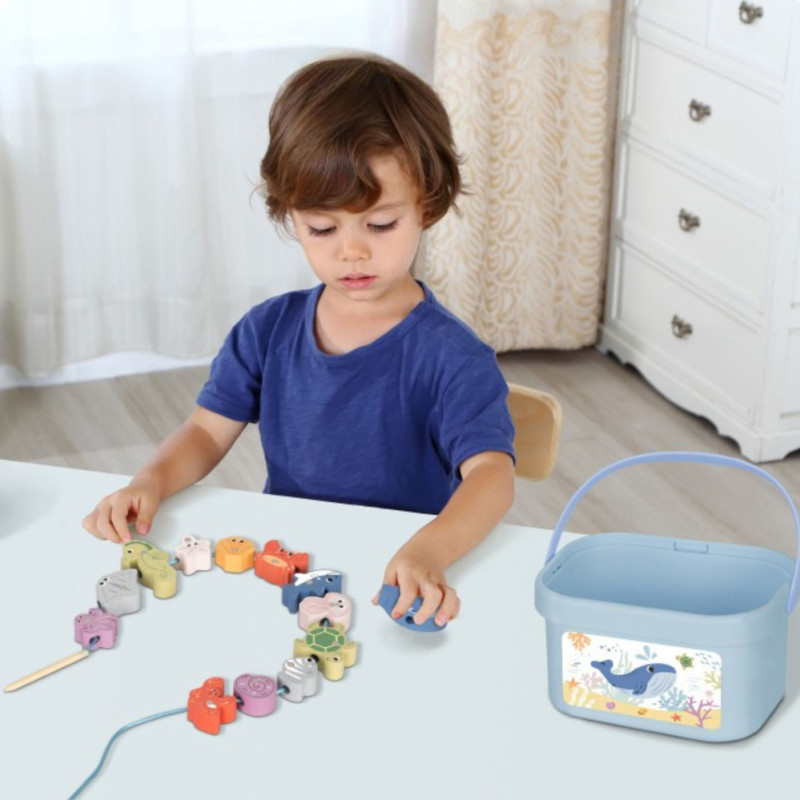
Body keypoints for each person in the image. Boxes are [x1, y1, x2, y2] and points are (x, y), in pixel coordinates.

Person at [82, 54, 516, 628]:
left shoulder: (453, 357)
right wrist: (149, 482)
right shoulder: (266, 331)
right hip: (292, 563)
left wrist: (432, 549)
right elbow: (206, 432)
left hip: (402, 572)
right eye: (322, 228)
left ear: (427, 206)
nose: (351, 250)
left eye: (380, 224)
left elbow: (492, 475)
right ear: (290, 215)